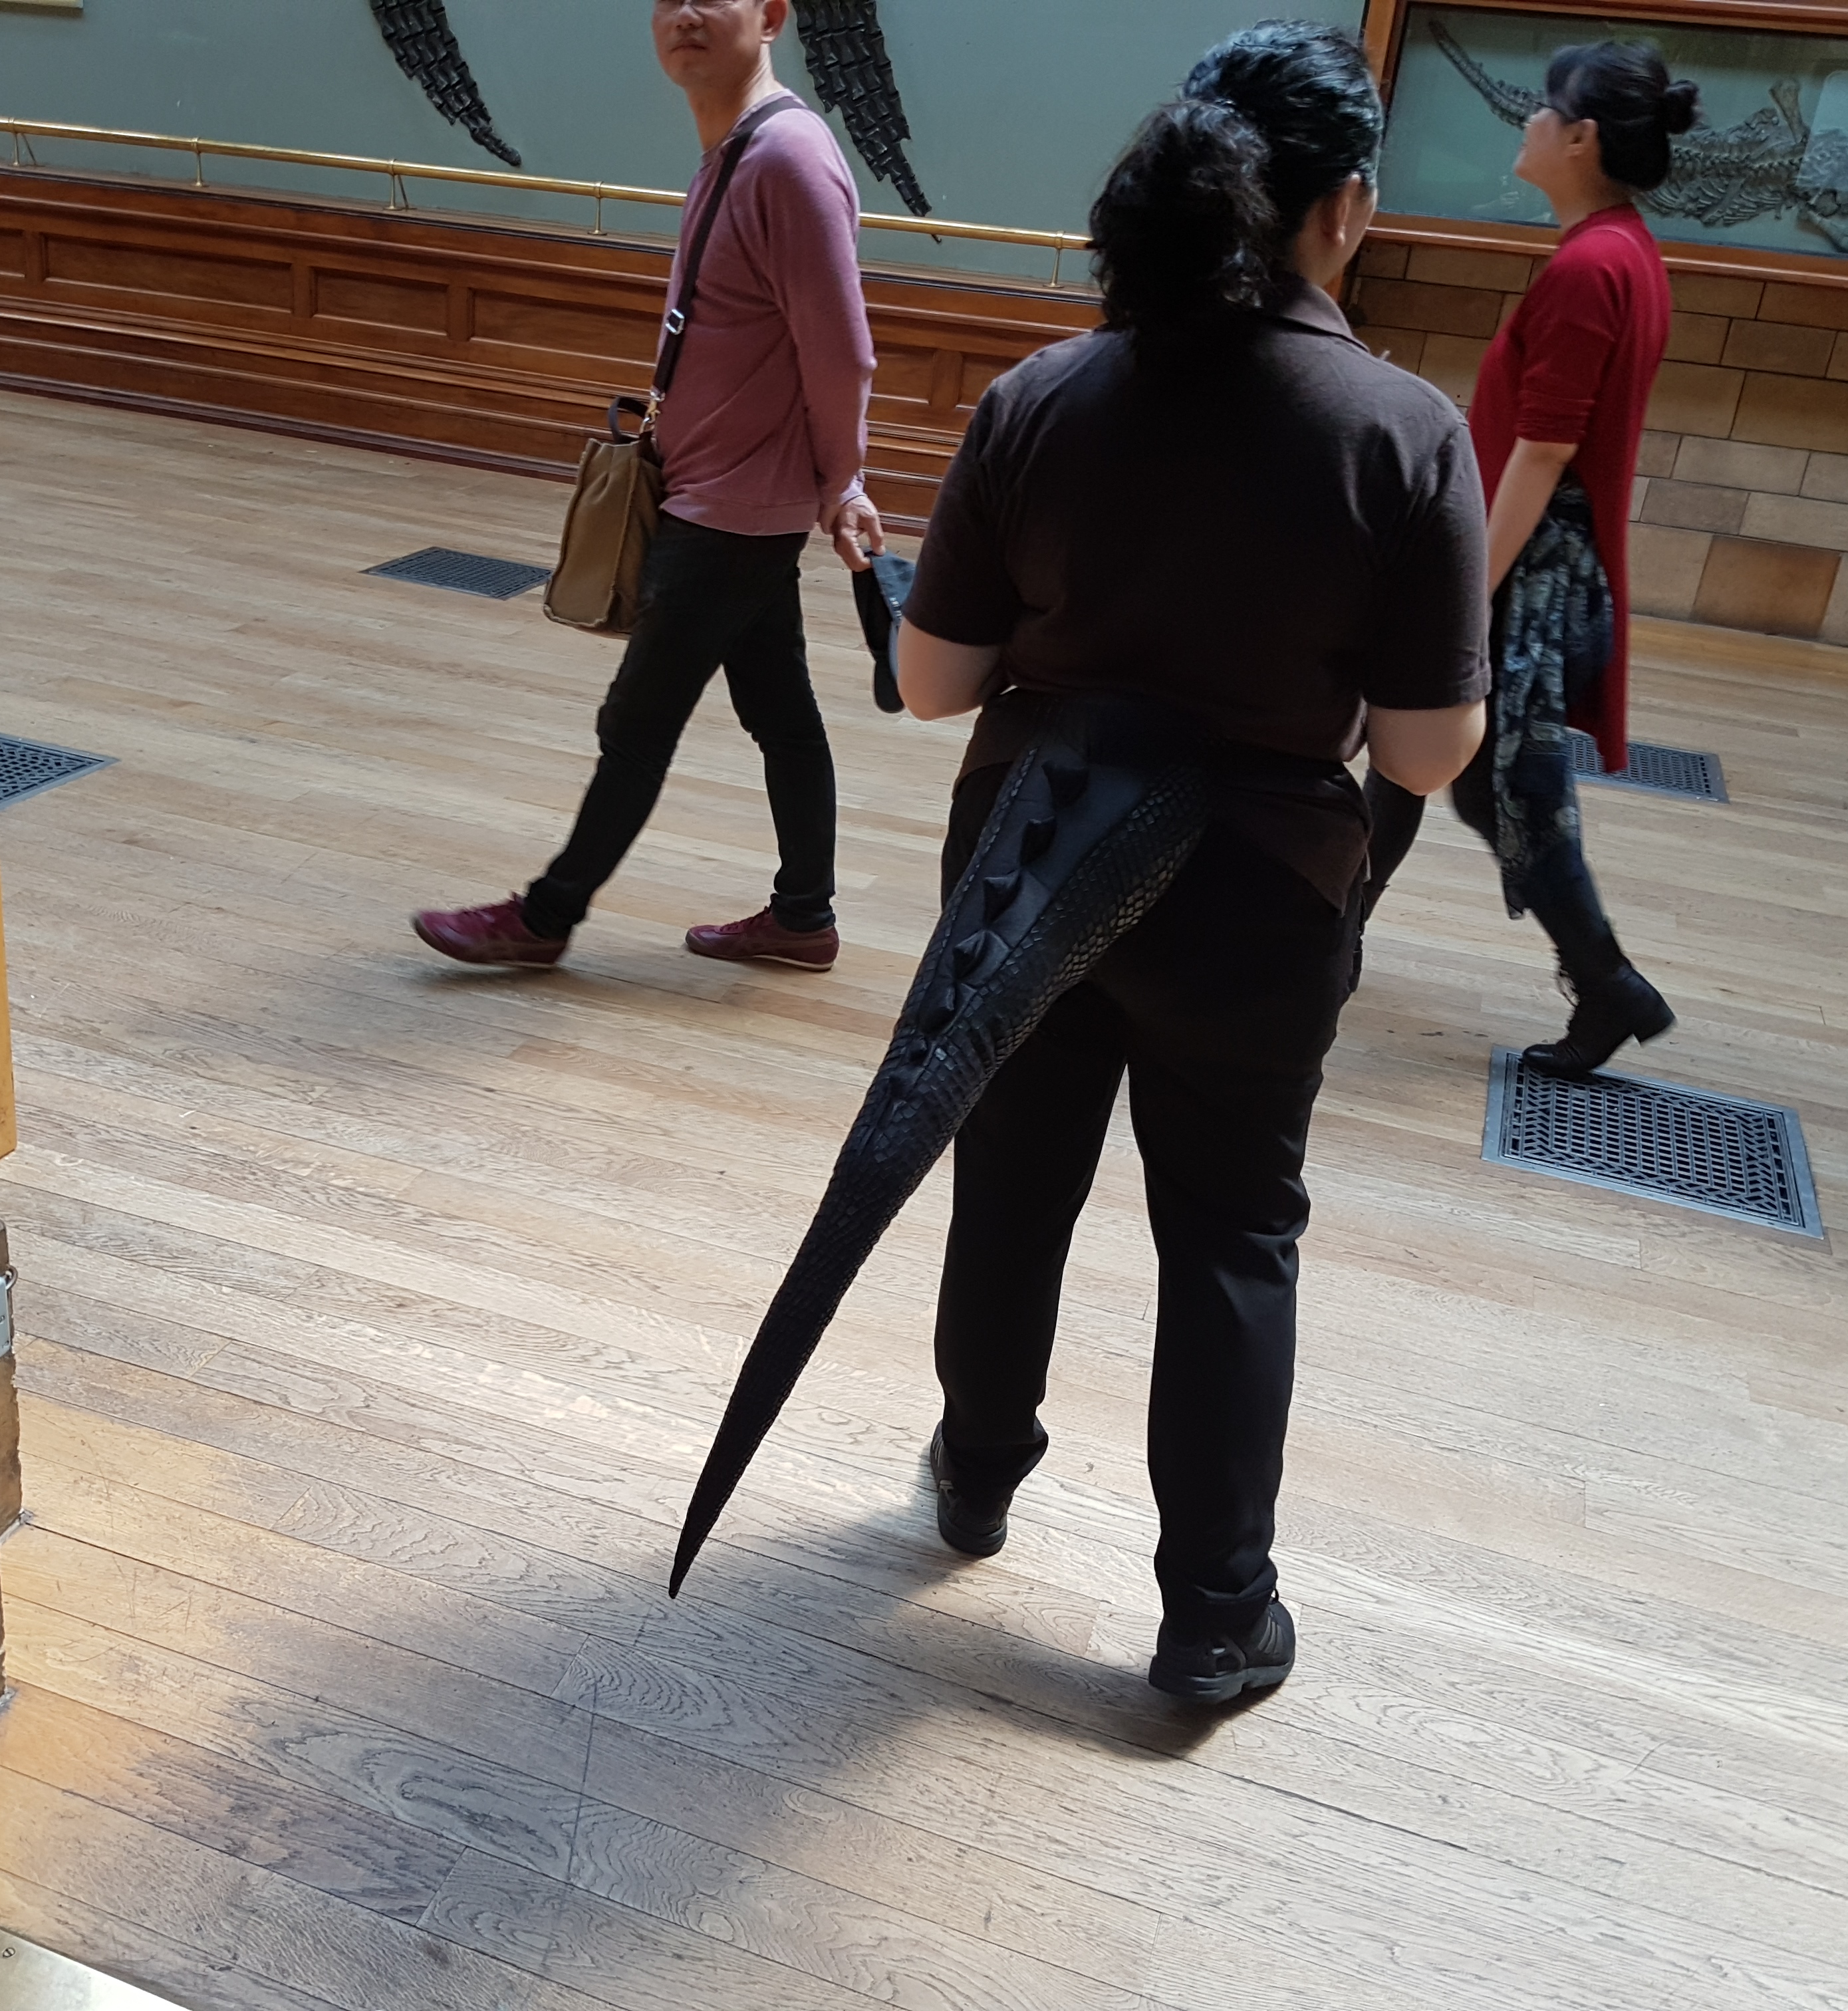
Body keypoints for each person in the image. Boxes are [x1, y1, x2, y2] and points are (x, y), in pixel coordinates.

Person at [892, 23, 1488, 1702]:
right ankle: (1217, 1616)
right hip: (1259, 888)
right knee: (1232, 1229)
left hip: (1032, 854)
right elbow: (1427, 754)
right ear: (1346, 205)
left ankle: (976, 1475)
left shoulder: (1043, 395)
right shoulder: (1403, 430)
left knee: (1012, 1180)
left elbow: (932, 683)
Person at [413, 0, 881, 972]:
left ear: (772, 14)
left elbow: (842, 352)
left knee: (638, 721)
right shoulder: (738, 148)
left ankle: (546, 917)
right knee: (782, 716)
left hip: (733, 511)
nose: (686, 14)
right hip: (723, 492)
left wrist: (844, 481)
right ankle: (804, 918)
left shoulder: (787, 159)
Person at [1363, 42, 1699, 1077]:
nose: (1528, 123)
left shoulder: (1593, 265)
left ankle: (1607, 982)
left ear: (1582, 137)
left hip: (1533, 571)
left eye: (1544, 111)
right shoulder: (1622, 250)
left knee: (1480, 776)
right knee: (1444, 766)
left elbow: (1547, 451)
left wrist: (1467, 593)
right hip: (1547, 564)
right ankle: (1326, 937)